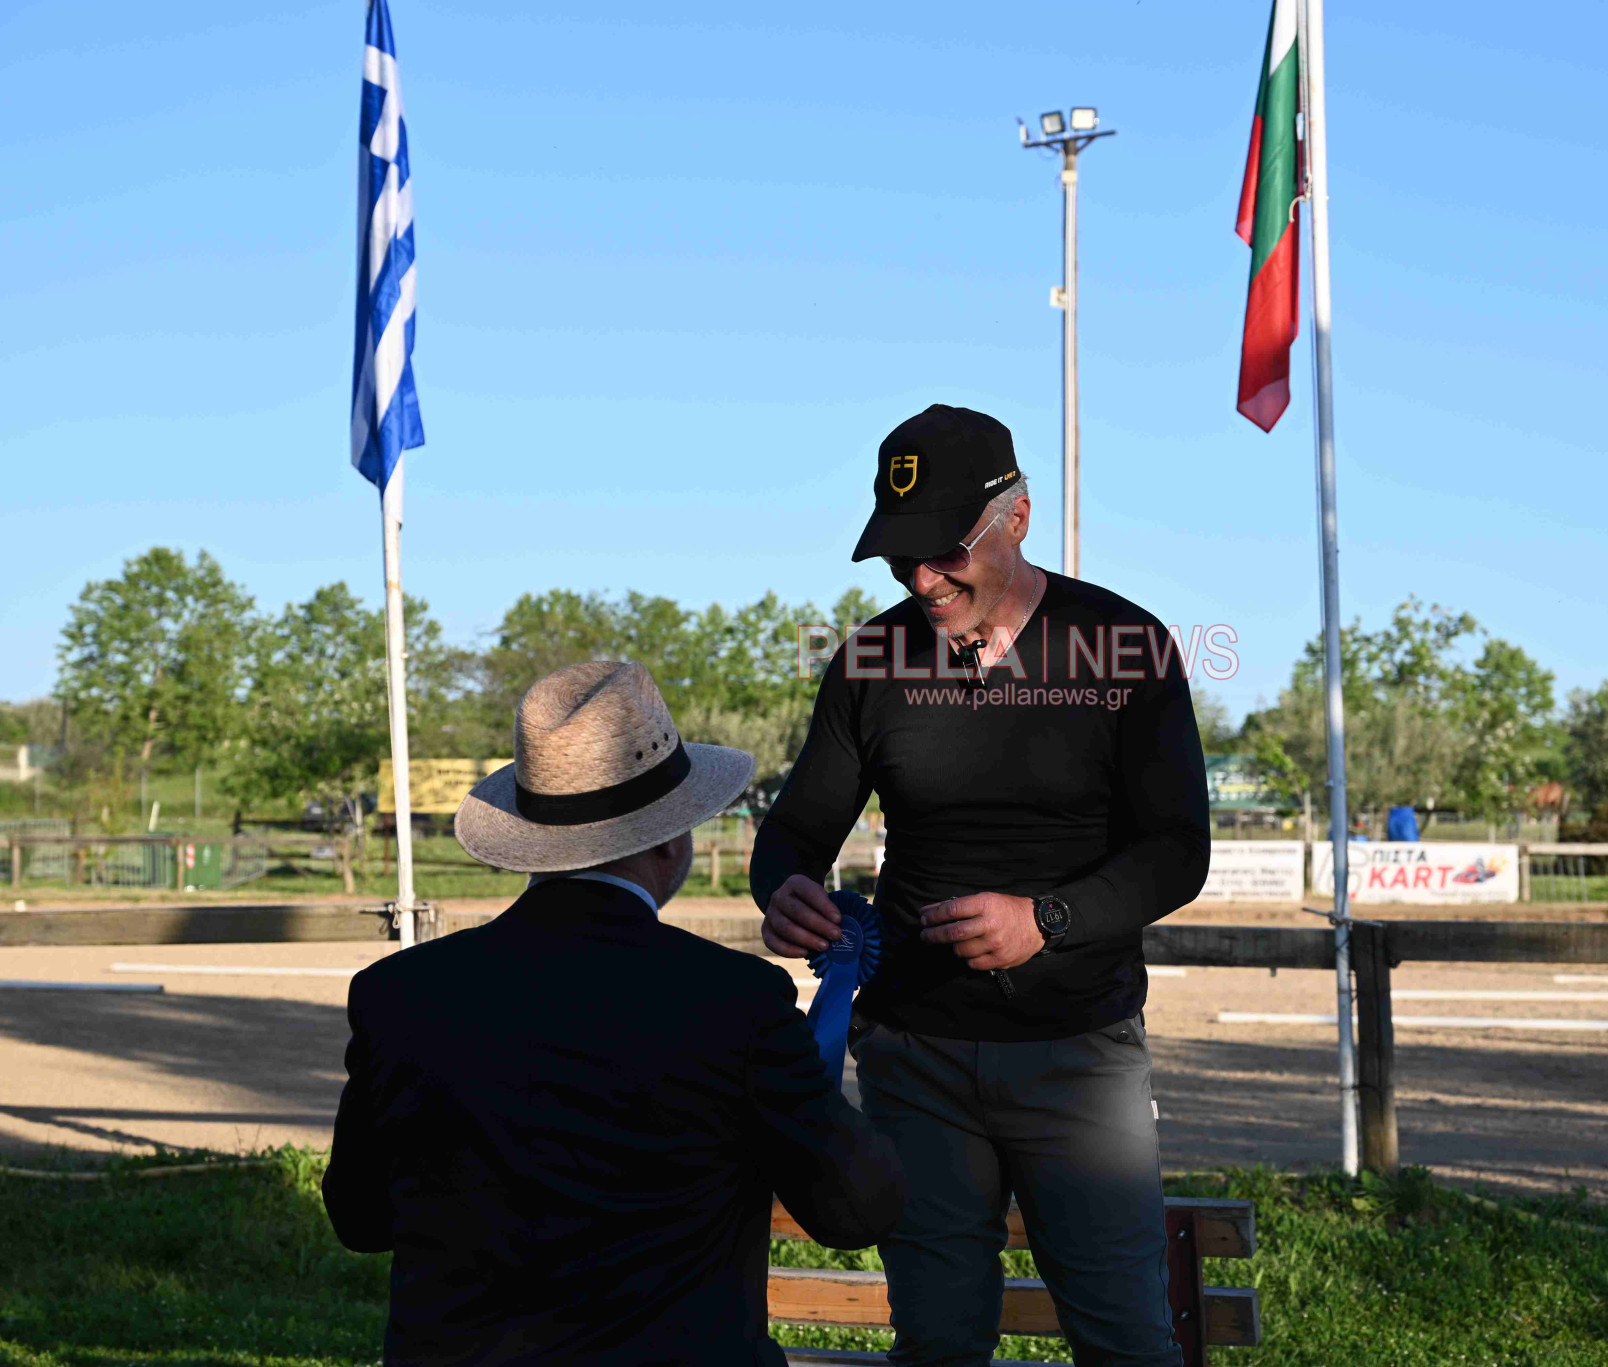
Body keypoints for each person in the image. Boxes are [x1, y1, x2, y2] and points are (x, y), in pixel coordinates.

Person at [752, 405, 1211, 1366]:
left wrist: (1048, 920)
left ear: (1019, 518)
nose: (922, 580)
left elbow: (1179, 851)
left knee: (1127, 1340)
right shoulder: (870, 660)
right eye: (900, 558)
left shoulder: (1125, 644)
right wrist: (783, 885)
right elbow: (797, 828)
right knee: (937, 1341)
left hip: (1077, 1055)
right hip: (911, 1058)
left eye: (944, 552)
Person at [324, 660, 902, 1367]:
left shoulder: (397, 994)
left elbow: (360, 1218)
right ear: (672, 837)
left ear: (532, 841)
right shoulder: (737, 1001)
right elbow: (854, 1210)